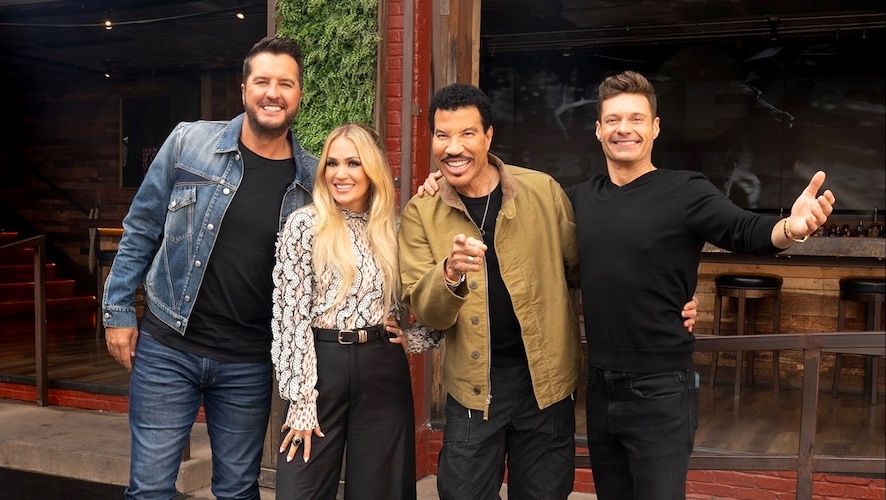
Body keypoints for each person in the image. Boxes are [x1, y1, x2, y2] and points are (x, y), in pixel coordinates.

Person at [399, 83, 699, 499]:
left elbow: (590, 267)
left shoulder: (541, 191)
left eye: (467, 133)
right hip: (473, 389)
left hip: (547, 384)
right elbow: (428, 311)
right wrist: (449, 274)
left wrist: (665, 298)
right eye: (442, 135)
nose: (453, 148)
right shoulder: (421, 213)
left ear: (488, 136)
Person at [568, 70, 835, 500]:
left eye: (636, 119)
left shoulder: (685, 190)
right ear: (598, 129)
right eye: (613, 119)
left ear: (655, 127)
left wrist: (792, 227)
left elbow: (744, 230)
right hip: (597, 384)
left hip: (659, 388)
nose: (624, 129)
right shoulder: (579, 198)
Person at [102, 36, 317, 499]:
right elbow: (141, 227)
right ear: (244, 89)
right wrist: (117, 312)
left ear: (299, 94)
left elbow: (354, 242)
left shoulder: (312, 181)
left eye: (285, 83)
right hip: (168, 347)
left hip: (248, 361)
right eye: (262, 81)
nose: (273, 93)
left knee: (238, 490)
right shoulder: (189, 142)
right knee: (150, 489)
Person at [270, 122, 440, 500]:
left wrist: (415, 338)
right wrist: (301, 399)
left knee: (380, 491)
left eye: (353, 163)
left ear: (373, 169)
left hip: (382, 367)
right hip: (321, 366)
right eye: (332, 163)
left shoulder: (396, 229)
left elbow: (434, 294)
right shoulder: (305, 225)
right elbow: (290, 317)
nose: (340, 174)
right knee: (300, 488)